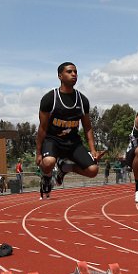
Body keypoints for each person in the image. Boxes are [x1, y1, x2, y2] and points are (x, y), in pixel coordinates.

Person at [36, 62, 102, 198]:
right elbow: (42, 128)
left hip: (73, 143)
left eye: (76, 72)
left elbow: (87, 127)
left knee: (93, 170)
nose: (74, 74)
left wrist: (93, 150)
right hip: (52, 140)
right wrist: (38, 152)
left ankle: (64, 167)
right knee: (48, 162)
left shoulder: (82, 100)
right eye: (70, 72)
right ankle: (47, 177)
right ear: (60, 76)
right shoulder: (50, 99)